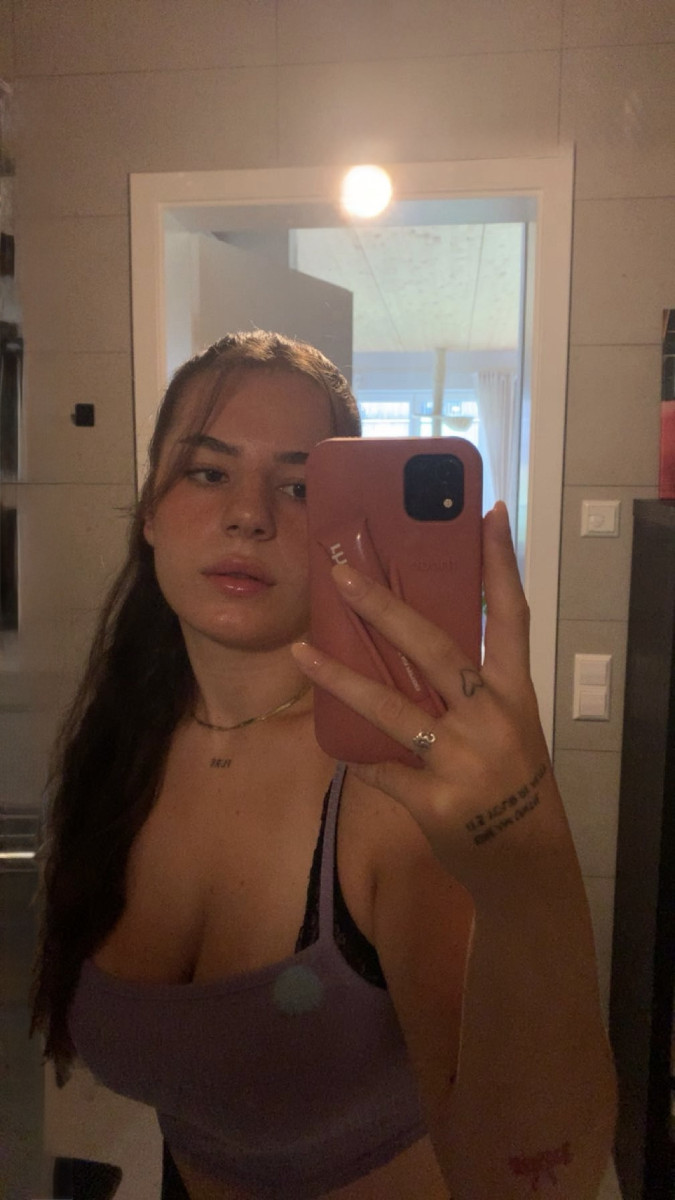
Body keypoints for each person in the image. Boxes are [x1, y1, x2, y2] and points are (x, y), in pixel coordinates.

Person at [31, 331, 617, 1200]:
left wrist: (527, 863)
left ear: (343, 527)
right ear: (150, 509)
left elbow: (529, 1183)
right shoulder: (120, 744)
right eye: (207, 471)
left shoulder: (390, 790)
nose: (250, 515)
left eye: (300, 486)